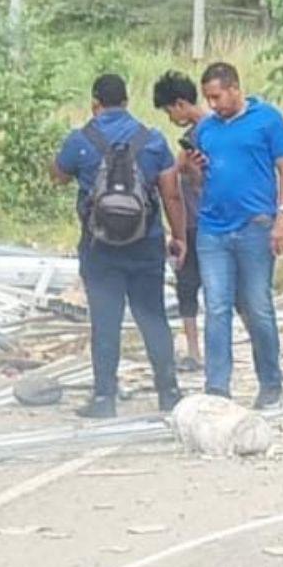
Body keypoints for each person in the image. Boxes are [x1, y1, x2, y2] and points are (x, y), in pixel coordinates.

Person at [51, 74, 187, 418]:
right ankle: (169, 393)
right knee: (153, 317)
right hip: (146, 244)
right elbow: (171, 191)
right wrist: (179, 236)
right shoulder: (152, 140)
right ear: (127, 102)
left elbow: (58, 176)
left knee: (105, 321)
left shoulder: (80, 140)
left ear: (95, 102)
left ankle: (103, 399)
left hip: (100, 249)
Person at [192, 62, 283, 409]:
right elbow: (199, 177)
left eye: (217, 97)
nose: (213, 105)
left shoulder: (268, 119)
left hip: (255, 225)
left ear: (235, 89)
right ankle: (217, 386)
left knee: (257, 306)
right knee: (217, 306)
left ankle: (270, 382)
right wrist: (197, 170)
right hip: (213, 228)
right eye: (208, 99)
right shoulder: (206, 129)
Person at [152, 70, 209, 373]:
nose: (170, 117)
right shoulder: (209, 131)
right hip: (204, 221)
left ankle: (196, 351)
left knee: (189, 287)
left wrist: (187, 171)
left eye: (168, 111)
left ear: (179, 105)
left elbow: (193, 180)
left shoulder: (200, 136)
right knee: (205, 287)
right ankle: (201, 351)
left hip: (196, 221)